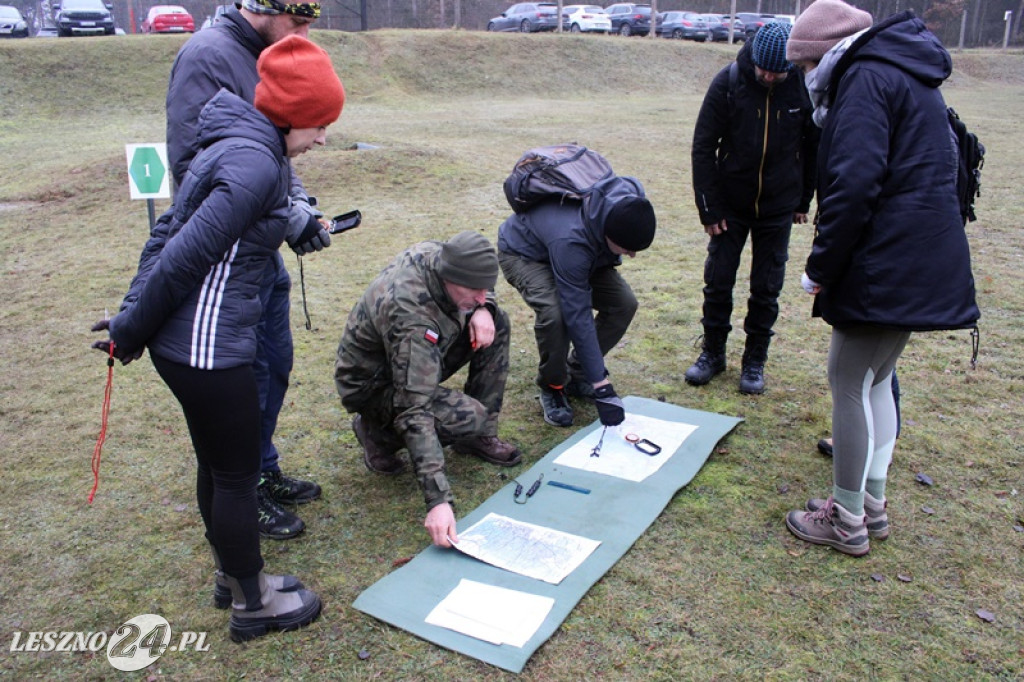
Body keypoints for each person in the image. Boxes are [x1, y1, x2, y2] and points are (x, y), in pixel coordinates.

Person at [91, 35, 345, 640]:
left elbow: (167, 232)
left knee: (218, 465)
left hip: (192, 343)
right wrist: (130, 327)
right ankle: (253, 603)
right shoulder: (255, 163)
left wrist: (131, 319)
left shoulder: (244, 144)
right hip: (205, 347)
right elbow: (180, 254)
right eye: (317, 124)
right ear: (288, 115)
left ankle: (233, 575)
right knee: (233, 474)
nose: (322, 137)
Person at [782, 0, 979, 556]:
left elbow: (853, 183)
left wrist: (820, 267)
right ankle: (871, 504)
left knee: (846, 380)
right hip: (923, 257)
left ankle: (845, 520)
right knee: (874, 381)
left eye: (803, 67)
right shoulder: (907, 73)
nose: (803, 79)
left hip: (885, 262)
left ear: (822, 55)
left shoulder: (865, 79)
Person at [130, 0, 331, 543]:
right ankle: (246, 492)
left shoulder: (270, 52)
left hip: (260, 247)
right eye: (298, 18)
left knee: (274, 360)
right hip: (230, 258)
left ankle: (260, 467)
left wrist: (301, 207)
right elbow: (200, 165)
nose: (305, 30)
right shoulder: (208, 56)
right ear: (259, 7)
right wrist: (288, 214)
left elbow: (277, 149)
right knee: (249, 374)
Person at [334, 231, 522, 548]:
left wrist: (483, 307)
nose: (481, 294)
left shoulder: (445, 257)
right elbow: (414, 407)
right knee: (468, 416)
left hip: (412, 354)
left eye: (484, 287)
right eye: (473, 290)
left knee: (496, 320)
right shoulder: (411, 315)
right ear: (450, 277)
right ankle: (376, 435)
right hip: (374, 384)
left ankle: (479, 438)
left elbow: (481, 287)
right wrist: (438, 500)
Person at [687, 21, 819, 394]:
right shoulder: (728, 83)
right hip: (730, 206)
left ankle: (754, 362)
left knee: (766, 288)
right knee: (718, 282)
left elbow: (813, 148)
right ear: (756, 60)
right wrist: (709, 209)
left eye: (779, 72)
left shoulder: (801, 87)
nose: (771, 77)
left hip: (779, 208)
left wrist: (802, 199)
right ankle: (712, 354)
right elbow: (703, 147)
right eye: (766, 70)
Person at [497, 178, 657, 428]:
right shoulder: (571, 240)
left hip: (588, 253)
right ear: (609, 234)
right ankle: (553, 385)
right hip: (526, 254)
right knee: (557, 314)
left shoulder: (628, 200)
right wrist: (601, 383)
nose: (631, 255)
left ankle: (578, 372)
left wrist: (592, 375)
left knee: (623, 304)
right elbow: (578, 314)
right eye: (627, 248)